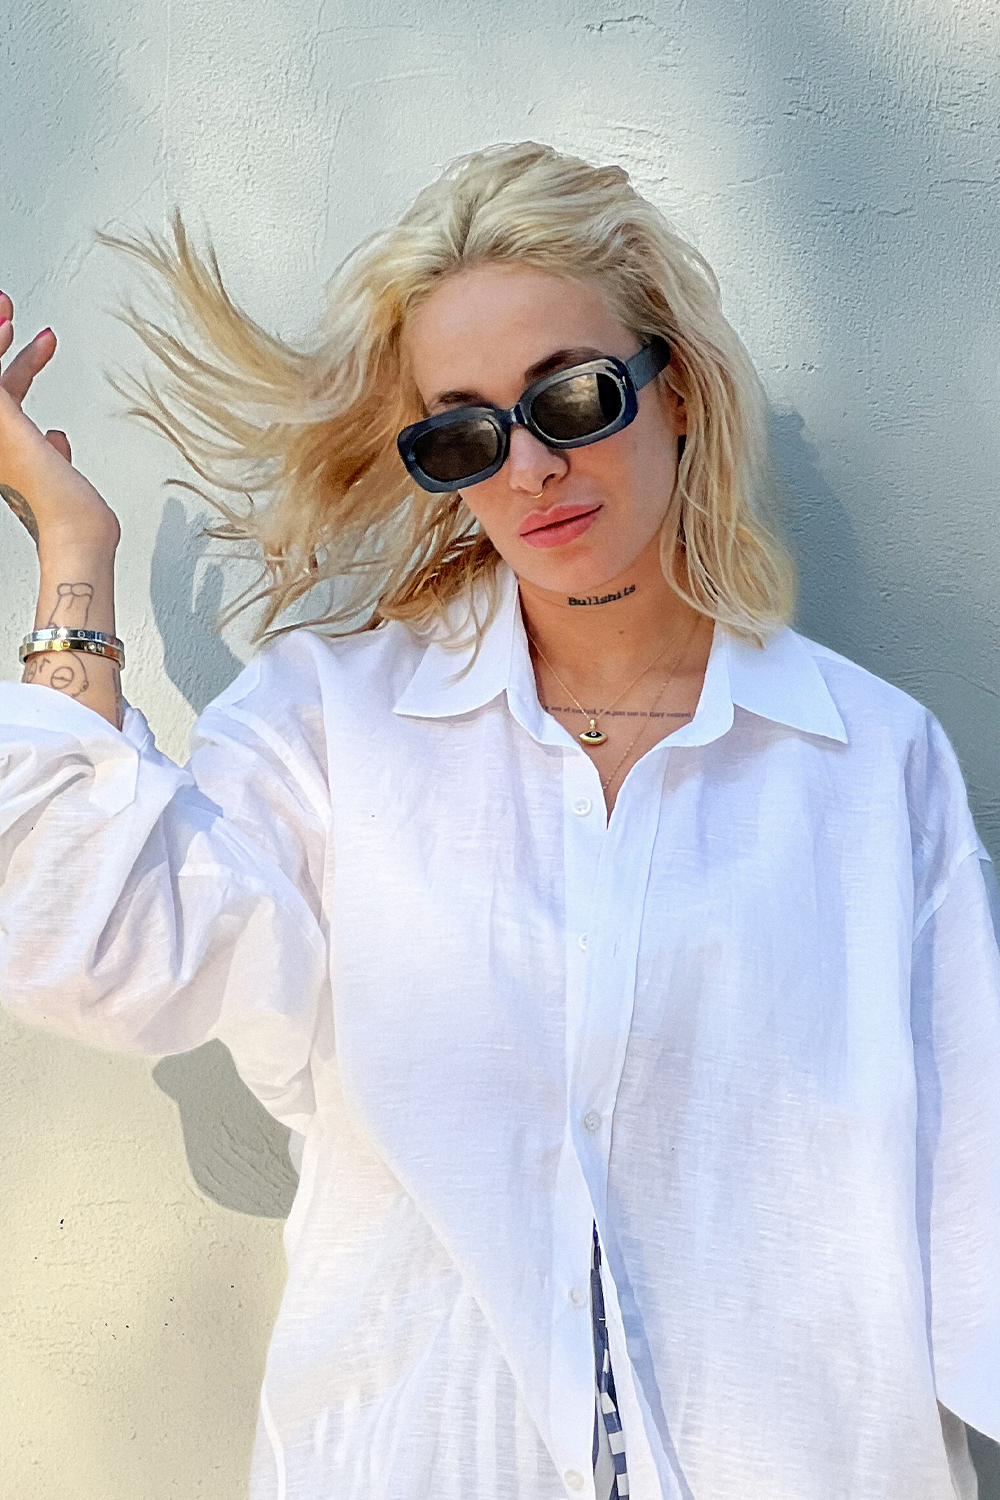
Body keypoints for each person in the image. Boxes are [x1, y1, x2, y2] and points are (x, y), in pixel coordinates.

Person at [0, 141, 998, 1500]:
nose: (529, 468)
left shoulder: (869, 766)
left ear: (677, 389)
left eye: (573, 398)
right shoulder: (331, 729)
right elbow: (88, 947)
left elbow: (974, 1223)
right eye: (464, 434)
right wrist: (74, 554)